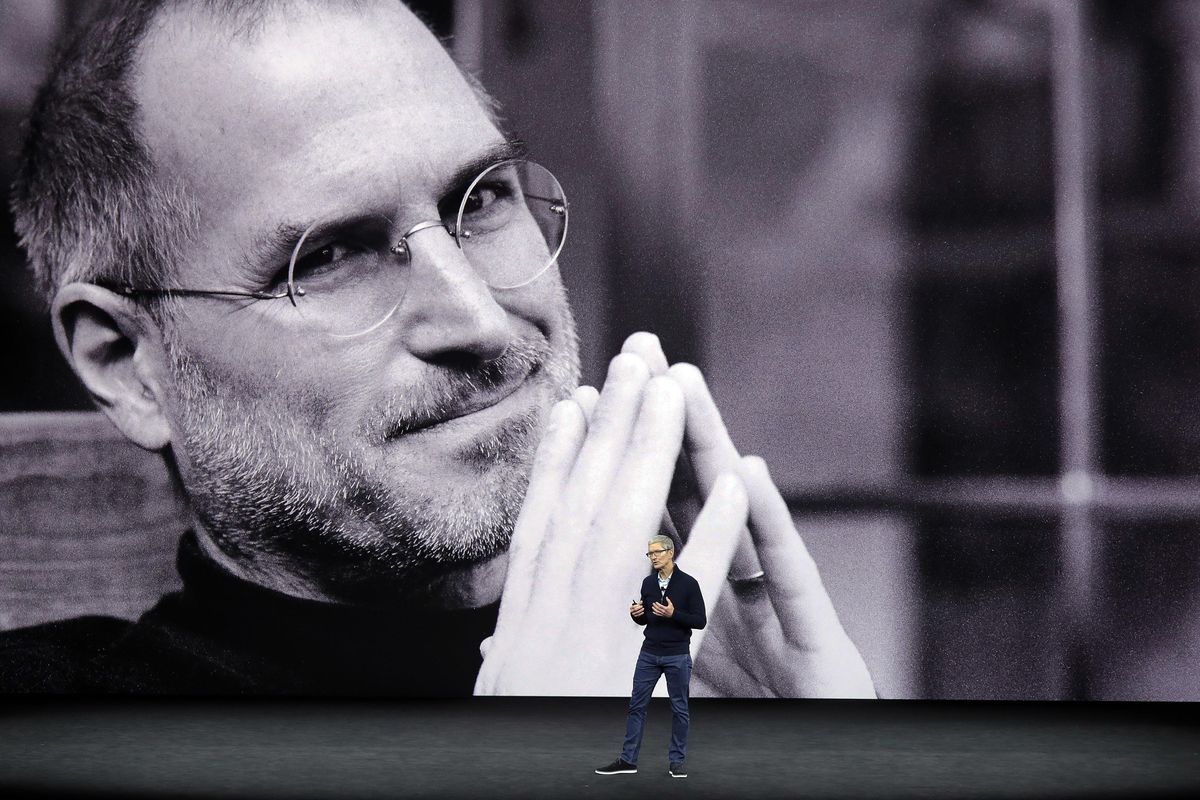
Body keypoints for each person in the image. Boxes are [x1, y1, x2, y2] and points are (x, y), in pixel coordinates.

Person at [1, 0, 877, 699]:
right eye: (331, 256)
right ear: (128, 362)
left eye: (484, 198)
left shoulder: (718, 680)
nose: (482, 321)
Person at [595, 534, 704, 778]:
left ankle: (676, 763)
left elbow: (700, 620)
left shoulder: (688, 584)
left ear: (670, 553)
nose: (653, 557)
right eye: (650, 553)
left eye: (657, 552)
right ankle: (627, 760)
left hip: (677, 656)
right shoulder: (648, 583)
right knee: (637, 706)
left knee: (679, 709)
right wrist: (637, 614)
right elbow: (647, 618)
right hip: (649, 654)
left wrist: (674, 614)